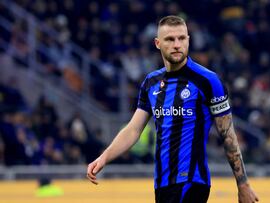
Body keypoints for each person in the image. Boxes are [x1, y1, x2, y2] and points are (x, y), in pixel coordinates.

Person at [87, 15, 259, 203]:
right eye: (170, 39)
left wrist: (243, 184)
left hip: (192, 182)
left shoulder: (208, 81)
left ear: (188, 40)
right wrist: (103, 158)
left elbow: (228, 135)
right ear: (158, 43)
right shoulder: (151, 83)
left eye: (182, 38)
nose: (177, 44)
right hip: (162, 183)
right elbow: (133, 129)